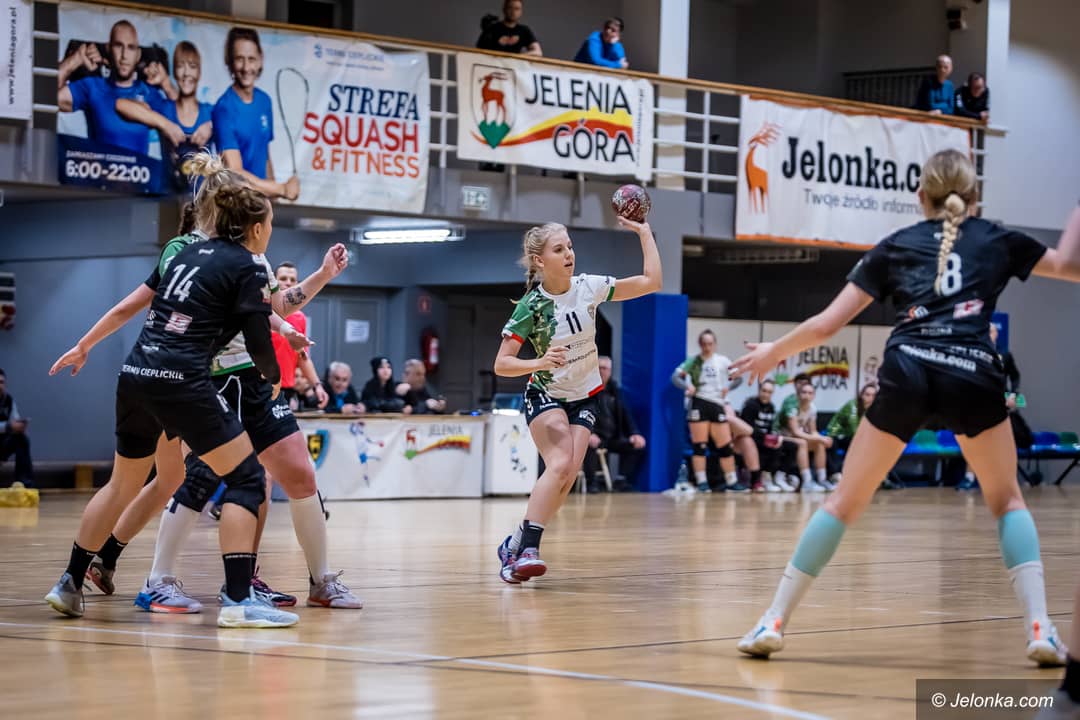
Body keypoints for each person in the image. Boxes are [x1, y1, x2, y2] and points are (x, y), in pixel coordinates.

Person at [731, 151, 1080, 667]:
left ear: (921, 197)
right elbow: (1070, 266)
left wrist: (773, 352)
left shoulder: (896, 244)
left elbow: (827, 324)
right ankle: (1039, 629)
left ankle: (773, 621)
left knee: (843, 502)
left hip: (908, 368)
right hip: (973, 371)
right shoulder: (997, 238)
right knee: (1008, 501)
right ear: (975, 196)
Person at [49, 153, 352, 612]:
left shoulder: (217, 256)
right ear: (243, 217)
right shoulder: (206, 253)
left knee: (163, 480)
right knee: (222, 477)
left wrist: (313, 288)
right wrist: (275, 367)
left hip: (150, 369)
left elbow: (268, 310)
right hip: (198, 377)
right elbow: (252, 320)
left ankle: (80, 575)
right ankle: (210, 591)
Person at [493, 217, 660, 582]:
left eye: (569, 246)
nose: (569, 254)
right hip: (546, 393)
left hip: (585, 395)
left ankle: (514, 544)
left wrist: (645, 233)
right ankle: (529, 550)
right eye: (559, 249)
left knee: (567, 476)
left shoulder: (589, 287)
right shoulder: (532, 306)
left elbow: (652, 282)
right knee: (558, 464)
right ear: (540, 261)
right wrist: (539, 362)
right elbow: (502, 364)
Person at [57, 20, 177, 154]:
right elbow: (50, 99)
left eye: (131, 47)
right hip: (100, 166)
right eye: (118, 46)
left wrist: (167, 85)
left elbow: (184, 124)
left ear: (138, 55)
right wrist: (77, 58)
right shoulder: (93, 87)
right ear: (109, 49)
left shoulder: (148, 93)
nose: (124, 56)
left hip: (139, 167)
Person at [214, 27, 299, 200]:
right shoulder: (223, 109)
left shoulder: (264, 101)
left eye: (251, 59)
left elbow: (265, 155)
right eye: (239, 59)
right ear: (230, 62)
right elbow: (235, 174)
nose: (246, 68)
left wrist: (273, 197)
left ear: (260, 60)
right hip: (234, 204)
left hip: (259, 202)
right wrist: (281, 189)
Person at [115, 41, 214, 189]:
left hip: (203, 198)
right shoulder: (164, 108)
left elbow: (240, 124)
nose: (186, 73)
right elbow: (121, 105)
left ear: (199, 73)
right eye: (180, 66)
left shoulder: (210, 112)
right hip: (168, 196)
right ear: (174, 72)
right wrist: (165, 124)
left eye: (192, 67)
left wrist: (212, 126)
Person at [672, 330, 750, 493]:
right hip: (699, 402)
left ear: (715, 344)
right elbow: (675, 377)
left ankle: (731, 481)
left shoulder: (722, 361)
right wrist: (688, 386)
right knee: (700, 445)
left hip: (717, 403)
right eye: (704, 344)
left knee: (725, 446)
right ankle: (702, 482)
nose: (707, 347)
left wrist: (728, 388)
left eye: (710, 344)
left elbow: (738, 378)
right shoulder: (693, 361)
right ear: (700, 344)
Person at [583, 355, 645, 492]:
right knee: (588, 444)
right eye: (599, 368)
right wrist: (589, 433)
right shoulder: (585, 389)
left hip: (613, 437)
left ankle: (621, 480)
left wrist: (634, 433)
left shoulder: (616, 390)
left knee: (638, 446)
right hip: (594, 435)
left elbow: (626, 413)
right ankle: (591, 483)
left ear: (610, 371)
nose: (602, 371)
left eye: (605, 368)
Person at [271, 262, 326, 411]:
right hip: (262, 386)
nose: (288, 283)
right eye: (283, 278)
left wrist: (317, 385)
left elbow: (302, 357)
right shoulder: (262, 312)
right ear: (273, 282)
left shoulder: (299, 318)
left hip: (287, 388)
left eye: (293, 280)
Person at [0, 369, 33, 488]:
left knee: (21, 439)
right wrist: (9, 426)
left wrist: (19, 426)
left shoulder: (8, 400)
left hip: (2, 443)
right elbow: (10, 425)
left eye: (1, 382)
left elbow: (14, 419)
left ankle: (24, 485)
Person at [476, 0, 542, 56]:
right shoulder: (493, 28)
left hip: (514, 65)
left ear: (521, 12)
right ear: (504, 9)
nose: (513, 12)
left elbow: (538, 52)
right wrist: (486, 32)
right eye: (510, 8)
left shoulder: (524, 30)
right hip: (492, 64)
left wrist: (517, 57)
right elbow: (478, 51)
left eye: (517, 9)